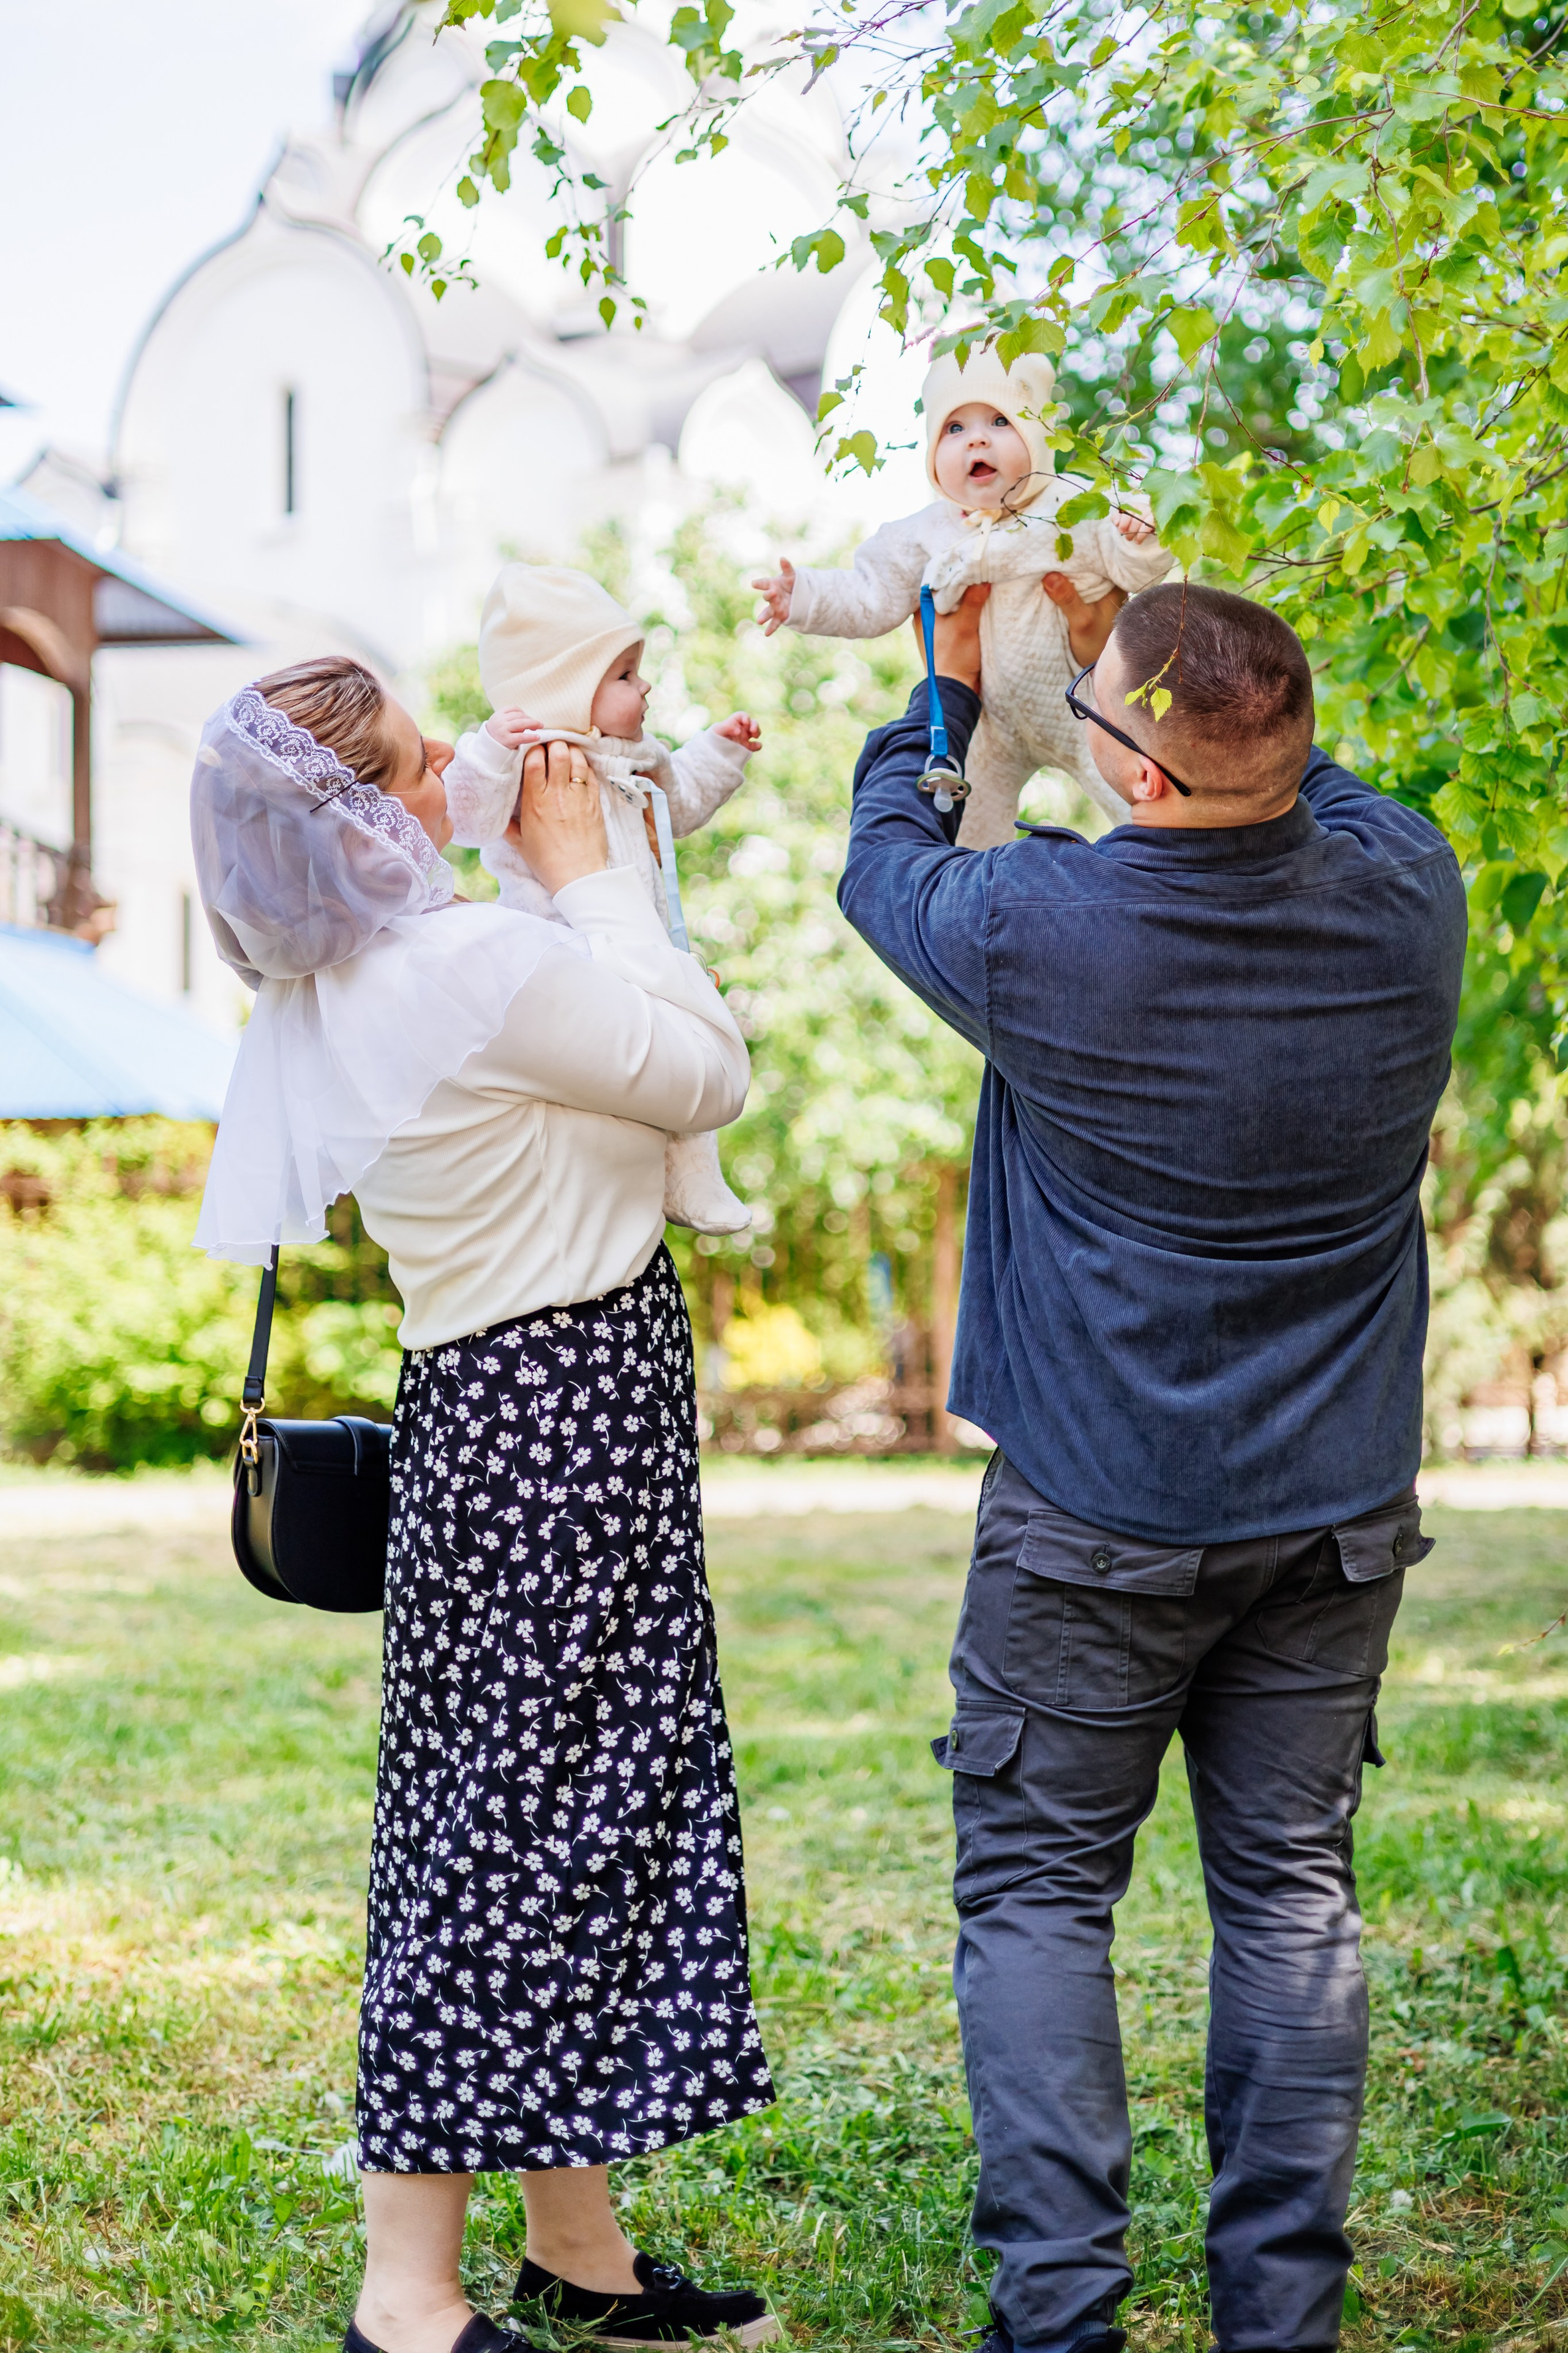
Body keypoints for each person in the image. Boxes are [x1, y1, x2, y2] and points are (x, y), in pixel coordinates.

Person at [835, 583, 1467, 2353]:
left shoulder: (1046, 922)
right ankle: (1283, 2323)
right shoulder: (1410, 888)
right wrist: (1153, 646)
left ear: (1146, 779)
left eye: (1103, 718)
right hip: (1334, 1517)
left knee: (1040, 1895)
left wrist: (952, 685)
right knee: (1289, 1895)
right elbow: (1297, 774)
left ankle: (1067, 2321)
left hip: (1094, 1519)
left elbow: (884, 856)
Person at [190, 659, 777, 2353]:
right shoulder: (474, 965)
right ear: (371, 813)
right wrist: (594, 870)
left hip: (487, 1419)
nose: (463, 762)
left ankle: (575, 2249)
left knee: (540, 1819)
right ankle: (409, 2299)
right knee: (508, 1846)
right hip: (563, 1425)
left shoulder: (365, 972)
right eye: (425, 754)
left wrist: (563, 845)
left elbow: (579, 1020)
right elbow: (706, 1070)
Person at [443, 562, 761, 1234]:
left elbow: (679, 805)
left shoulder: (634, 760)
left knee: (677, 1054)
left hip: (638, 939)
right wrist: (490, 751)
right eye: (622, 674)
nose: (643, 685)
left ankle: (693, 1178)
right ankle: (636, 1184)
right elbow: (465, 820)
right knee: (617, 1078)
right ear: (561, 691)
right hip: (560, 958)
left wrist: (718, 751)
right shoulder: (528, 765)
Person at [750, 344, 1172, 847]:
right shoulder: (924, 532)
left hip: (1080, 700)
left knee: (1145, 796)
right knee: (961, 829)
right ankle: (972, 903)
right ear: (932, 452)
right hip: (980, 715)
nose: (977, 441)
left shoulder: (1072, 503)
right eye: (955, 429)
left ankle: (1178, 874)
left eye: (999, 421)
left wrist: (1138, 533)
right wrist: (806, 596)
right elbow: (873, 593)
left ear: (1037, 434)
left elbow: (1132, 567)